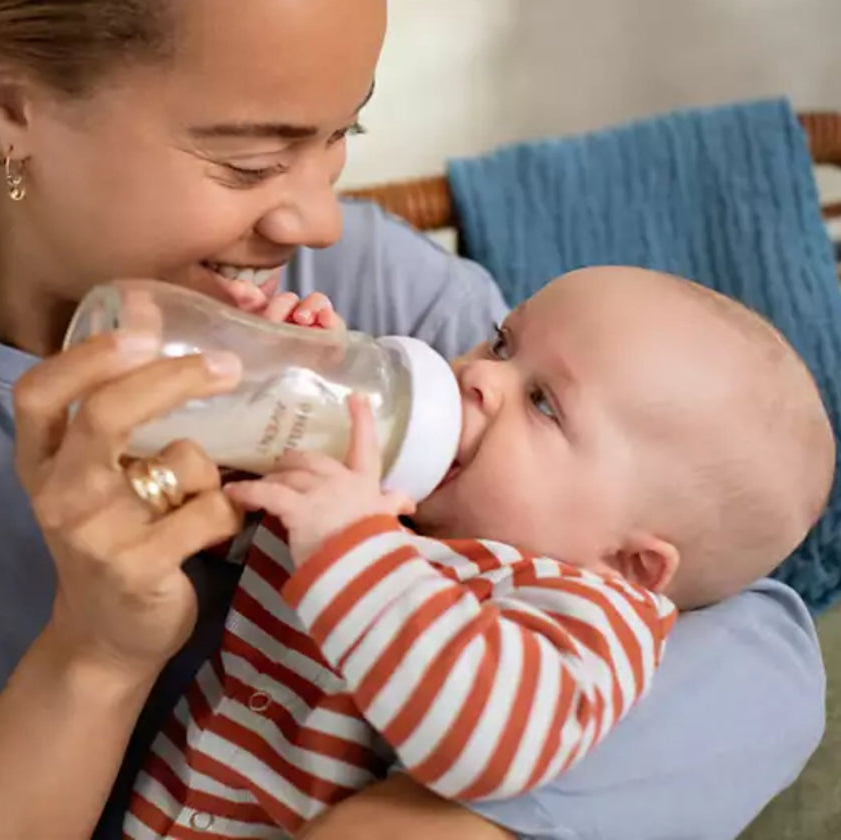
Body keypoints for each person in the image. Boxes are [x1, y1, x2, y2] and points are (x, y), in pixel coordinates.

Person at [0, 0, 823, 840]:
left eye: (344, 134)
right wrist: (95, 655)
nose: (318, 219)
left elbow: (748, 639)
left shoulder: (353, 287)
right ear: (8, 102)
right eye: (251, 162)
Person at [126, 266, 833, 838]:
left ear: (630, 563)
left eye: (544, 403)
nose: (480, 377)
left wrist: (353, 545)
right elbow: (217, 524)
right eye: (501, 343)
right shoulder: (394, 507)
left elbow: (489, 745)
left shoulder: (591, 615)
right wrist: (284, 387)